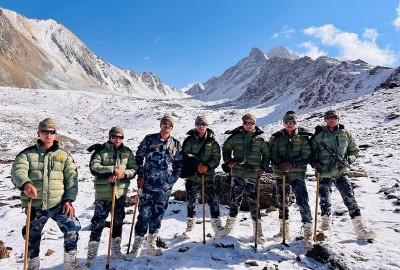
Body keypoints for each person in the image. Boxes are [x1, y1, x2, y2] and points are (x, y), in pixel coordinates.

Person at [11, 118, 81, 270]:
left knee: (73, 227)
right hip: (35, 204)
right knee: (32, 236)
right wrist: (26, 184)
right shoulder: (27, 154)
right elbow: (18, 171)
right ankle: (33, 265)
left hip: (59, 204)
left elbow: (72, 179)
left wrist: (68, 200)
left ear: (56, 135)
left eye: (51, 132)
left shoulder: (64, 156)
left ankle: (71, 264)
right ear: (39, 133)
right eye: (45, 131)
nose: (48, 135)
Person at [310, 109, 376, 240]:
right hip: (324, 172)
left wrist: (347, 160)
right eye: (328, 117)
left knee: (350, 198)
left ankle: (360, 230)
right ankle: (326, 228)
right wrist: (314, 162)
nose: (331, 119)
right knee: (324, 200)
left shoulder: (346, 134)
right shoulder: (318, 136)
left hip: (341, 172)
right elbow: (310, 152)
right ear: (325, 119)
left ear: (338, 119)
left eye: (334, 117)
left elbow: (355, 151)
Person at [125, 114, 183, 260]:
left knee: (158, 216)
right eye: (164, 124)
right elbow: (138, 157)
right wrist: (141, 175)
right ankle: (136, 248)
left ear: (172, 128)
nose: (166, 127)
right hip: (148, 184)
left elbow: (179, 164)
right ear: (160, 125)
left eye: (169, 125)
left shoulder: (176, 144)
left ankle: (151, 245)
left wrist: (172, 179)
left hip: (165, 187)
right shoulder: (150, 139)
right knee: (144, 215)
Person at [84, 127, 138, 268]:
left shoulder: (127, 152)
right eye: (115, 136)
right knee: (98, 222)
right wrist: (111, 170)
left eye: (120, 137)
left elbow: (134, 169)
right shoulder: (100, 151)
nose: (117, 139)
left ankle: (115, 249)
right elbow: (94, 167)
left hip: (120, 193)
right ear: (110, 137)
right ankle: (92, 253)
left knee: (118, 221)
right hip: (103, 194)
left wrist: (123, 174)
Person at [222, 113, 270, 244]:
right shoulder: (235, 137)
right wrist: (228, 161)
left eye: (251, 123)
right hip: (237, 173)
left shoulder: (260, 139)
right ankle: (229, 227)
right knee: (234, 200)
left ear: (255, 124)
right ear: (243, 123)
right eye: (246, 123)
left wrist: (263, 167)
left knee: (254, 202)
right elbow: (226, 149)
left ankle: (258, 231)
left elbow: (266, 154)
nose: (249, 125)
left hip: (253, 174)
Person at [269, 111, 313, 248]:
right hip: (280, 173)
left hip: (297, 174)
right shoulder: (276, 138)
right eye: (287, 122)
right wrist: (281, 164)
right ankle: (284, 231)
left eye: (292, 122)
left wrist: (292, 164)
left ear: (296, 123)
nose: (290, 124)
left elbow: (307, 155)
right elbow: (272, 154)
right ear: (283, 123)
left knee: (303, 201)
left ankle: (308, 233)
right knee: (281, 201)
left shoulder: (303, 138)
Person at [181, 114, 226, 238]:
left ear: (207, 126)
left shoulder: (212, 142)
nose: (201, 127)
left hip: (208, 176)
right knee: (191, 201)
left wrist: (207, 166)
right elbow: (184, 154)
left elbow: (216, 158)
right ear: (195, 125)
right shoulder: (189, 140)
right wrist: (197, 164)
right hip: (192, 175)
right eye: (199, 124)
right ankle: (190, 227)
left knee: (213, 200)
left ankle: (217, 225)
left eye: (204, 124)